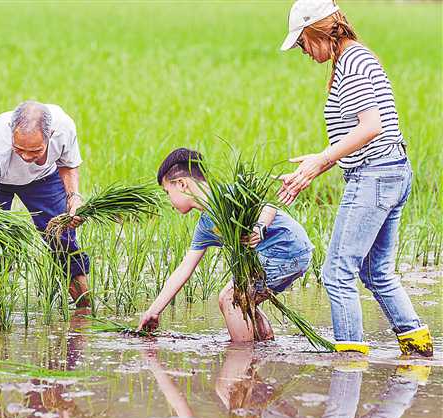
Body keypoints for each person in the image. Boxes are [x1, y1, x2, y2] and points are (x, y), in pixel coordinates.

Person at [278, 0, 432, 356]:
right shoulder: (350, 59)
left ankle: (349, 365)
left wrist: (321, 160)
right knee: (376, 271)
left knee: (336, 273)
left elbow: (371, 127)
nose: (303, 51)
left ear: (317, 32)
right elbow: (357, 135)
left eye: (302, 43)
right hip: (389, 171)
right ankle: (419, 349)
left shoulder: (353, 60)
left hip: (375, 176)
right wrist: (316, 165)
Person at [137, 148, 314, 342]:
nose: (169, 201)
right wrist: (154, 311)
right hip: (282, 256)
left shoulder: (227, 196)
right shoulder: (206, 225)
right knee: (239, 299)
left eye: (167, 192)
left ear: (181, 184)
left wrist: (259, 228)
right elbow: (184, 269)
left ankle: (242, 356)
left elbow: (268, 206)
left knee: (231, 298)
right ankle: (263, 345)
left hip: (286, 249)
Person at [0, 100, 90, 307]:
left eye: (35, 151)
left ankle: (84, 310)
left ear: (50, 134)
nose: (25, 157)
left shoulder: (64, 128)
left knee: (63, 238)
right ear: (11, 132)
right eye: (19, 149)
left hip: (43, 177)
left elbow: (68, 165)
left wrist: (74, 197)